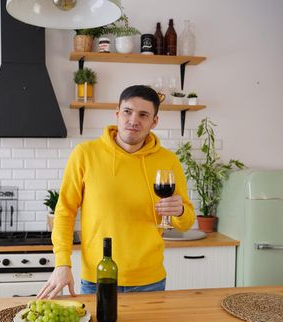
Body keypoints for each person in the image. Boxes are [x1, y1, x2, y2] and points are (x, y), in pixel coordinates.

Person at [37, 85, 195, 299]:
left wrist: (179, 212)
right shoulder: (85, 154)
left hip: (149, 281)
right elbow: (64, 211)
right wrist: (62, 263)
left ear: (154, 121)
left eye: (143, 115)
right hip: (97, 278)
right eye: (128, 112)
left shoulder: (168, 161)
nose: (133, 120)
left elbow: (185, 222)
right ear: (117, 114)